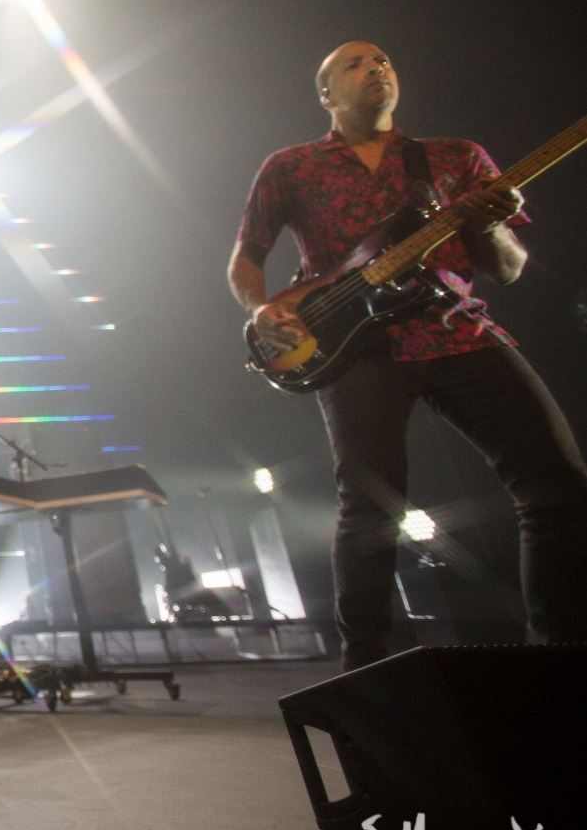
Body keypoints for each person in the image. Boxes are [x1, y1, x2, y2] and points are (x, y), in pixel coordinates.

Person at [228, 40, 587, 670]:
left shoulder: (455, 157)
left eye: (384, 61)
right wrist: (261, 310)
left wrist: (489, 223)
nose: (376, 68)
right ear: (326, 94)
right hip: (355, 346)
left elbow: (507, 269)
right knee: (369, 505)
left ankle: (556, 655)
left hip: (457, 330)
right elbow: (246, 257)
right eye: (356, 63)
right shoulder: (290, 166)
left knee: (557, 484)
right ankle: (365, 667)